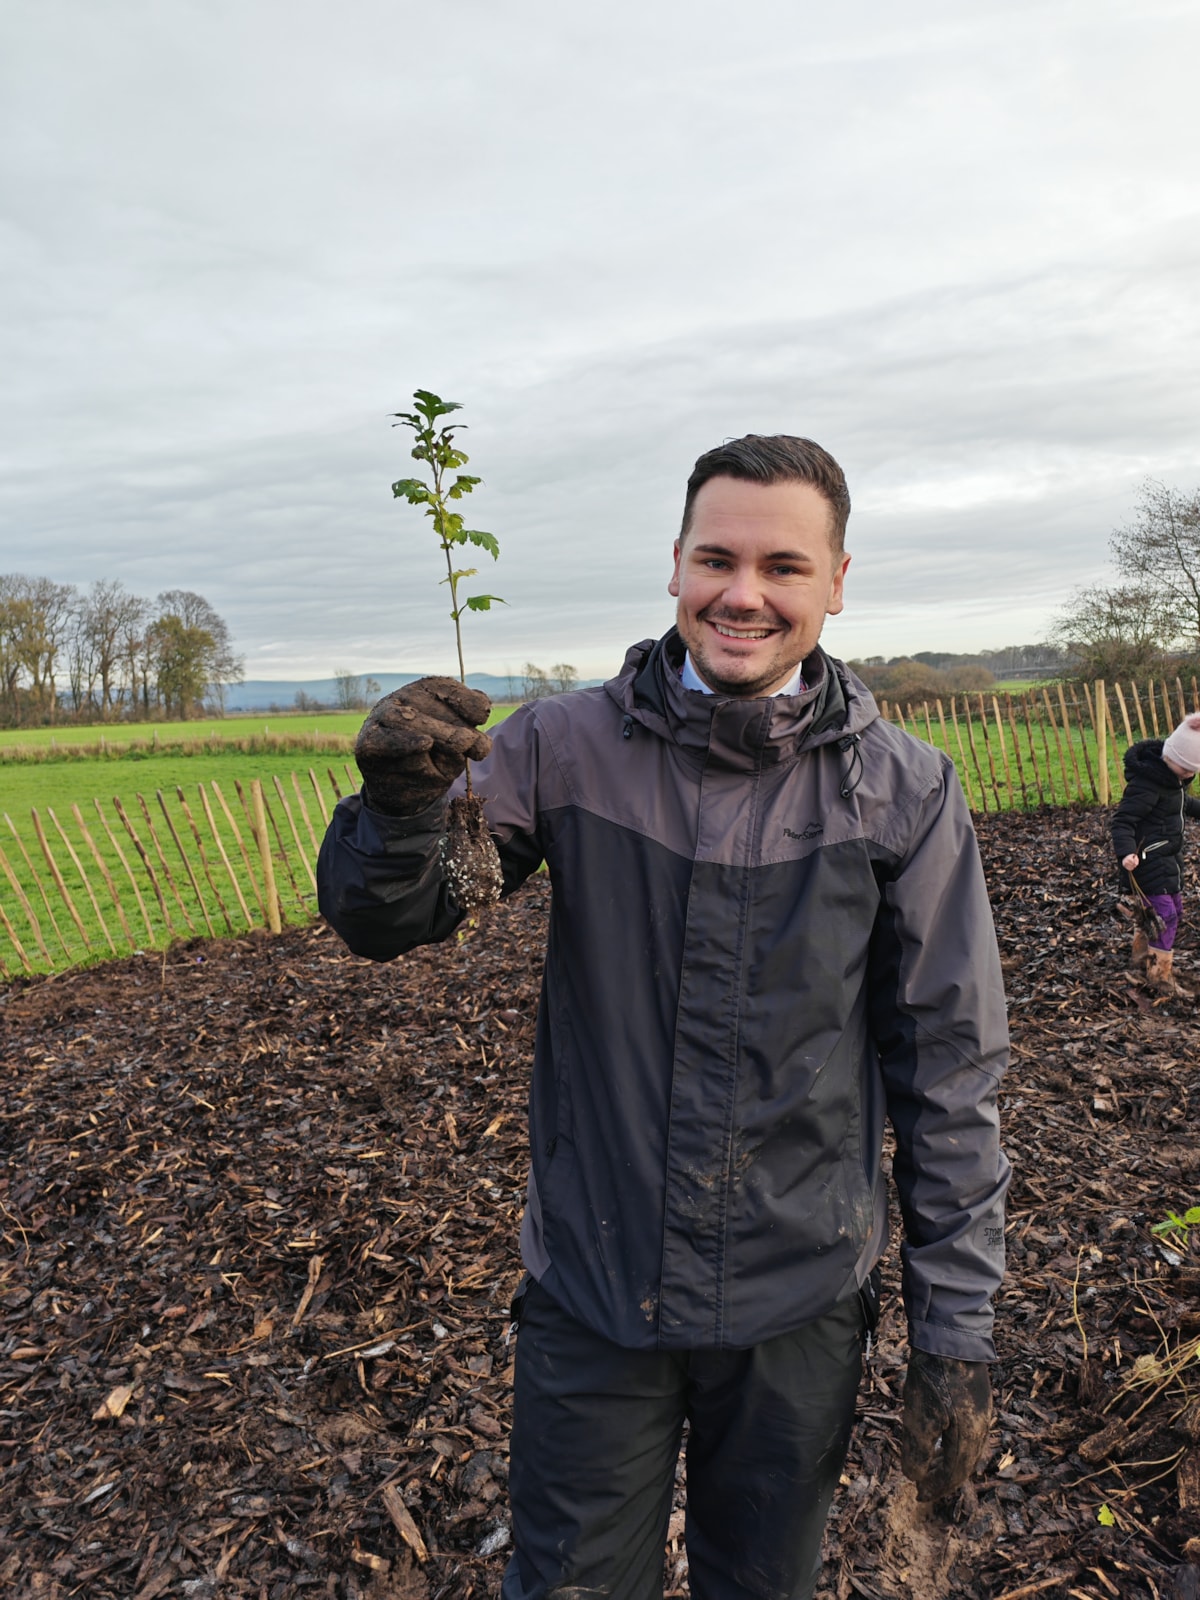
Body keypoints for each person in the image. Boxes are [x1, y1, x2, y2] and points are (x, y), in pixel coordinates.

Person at [317, 434, 1010, 1600]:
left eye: (784, 566)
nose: (744, 593)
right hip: (595, 1288)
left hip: (799, 1304)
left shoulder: (902, 791)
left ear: (836, 583)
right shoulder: (562, 746)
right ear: (676, 567)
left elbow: (950, 1071)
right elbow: (391, 921)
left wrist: (957, 1326)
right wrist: (398, 811)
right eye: (717, 559)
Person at [1111, 711, 1200, 995]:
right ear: (1171, 758)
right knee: (1166, 916)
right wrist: (1126, 853)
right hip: (1147, 862)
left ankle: (1141, 955)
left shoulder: (1172, 783)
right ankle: (1158, 974)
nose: (1190, 776)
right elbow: (1122, 821)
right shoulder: (1147, 786)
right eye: (1187, 769)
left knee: (1171, 911)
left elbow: (1184, 804)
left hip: (1167, 861)